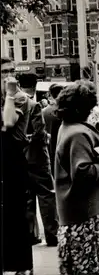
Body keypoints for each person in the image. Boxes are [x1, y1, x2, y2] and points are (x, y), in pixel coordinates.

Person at [54, 80, 99, 274]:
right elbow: (82, 172)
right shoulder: (78, 134)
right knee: (92, 268)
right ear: (82, 108)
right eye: (90, 107)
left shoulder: (69, 127)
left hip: (83, 214)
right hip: (87, 217)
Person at [19, 74, 59, 247]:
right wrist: (46, 137)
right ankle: (52, 234)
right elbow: (39, 133)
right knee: (46, 196)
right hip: (38, 158)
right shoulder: (33, 105)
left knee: (27, 199)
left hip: (21, 158)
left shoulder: (12, 103)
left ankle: (31, 235)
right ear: (35, 86)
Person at [2, 76, 34, 274]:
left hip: (14, 159)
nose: (9, 75)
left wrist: (9, 95)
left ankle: (22, 266)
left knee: (17, 213)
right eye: (4, 71)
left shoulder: (19, 97)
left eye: (11, 70)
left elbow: (8, 121)